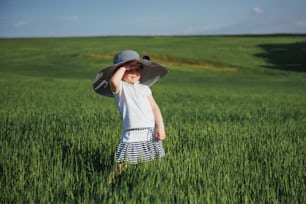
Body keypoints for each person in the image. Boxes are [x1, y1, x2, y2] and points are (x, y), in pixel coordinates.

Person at [109, 50, 166, 174]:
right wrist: (124, 66)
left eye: (137, 69)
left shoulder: (144, 89)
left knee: (150, 162)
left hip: (149, 132)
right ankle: (109, 185)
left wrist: (160, 128)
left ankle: (144, 181)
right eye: (129, 69)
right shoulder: (121, 88)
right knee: (121, 163)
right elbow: (114, 81)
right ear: (121, 71)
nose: (134, 72)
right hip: (132, 133)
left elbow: (155, 108)